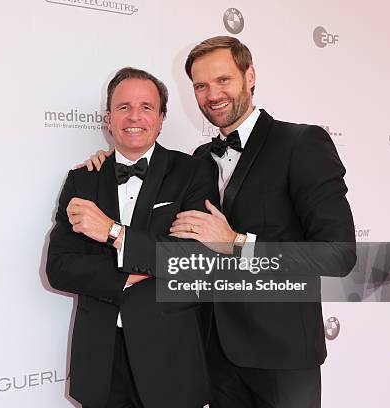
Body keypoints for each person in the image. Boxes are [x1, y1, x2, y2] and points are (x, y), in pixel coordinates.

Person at [83, 37, 357, 408]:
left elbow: (338, 255)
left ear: (250, 76)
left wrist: (236, 242)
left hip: (282, 356)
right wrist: (109, 160)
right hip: (214, 351)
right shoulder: (198, 159)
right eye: (201, 85)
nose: (212, 94)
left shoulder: (301, 143)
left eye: (223, 80)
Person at [46, 67, 219, 408]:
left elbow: (193, 260)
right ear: (108, 119)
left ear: (161, 119)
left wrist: (113, 233)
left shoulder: (193, 173)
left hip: (170, 356)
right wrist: (129, 276)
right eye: (123, 107)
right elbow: (59, 267)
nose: (134, 116)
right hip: (100, 357)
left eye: (146, 107)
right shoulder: (81, 179)